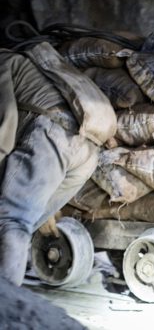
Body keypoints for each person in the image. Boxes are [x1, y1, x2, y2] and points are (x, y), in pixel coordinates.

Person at [0, 48, 99, 286]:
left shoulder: (2, 62)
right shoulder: (19, 63)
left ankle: (6, 308)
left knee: (10, 221)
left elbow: (6, 121)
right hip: (86, 151)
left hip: (54, 135)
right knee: (20, 228)